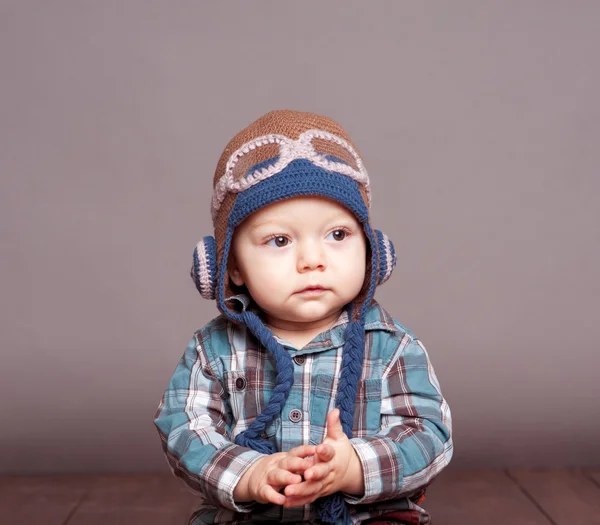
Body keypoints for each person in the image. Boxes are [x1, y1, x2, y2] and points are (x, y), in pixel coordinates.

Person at [153, 110, 453, 525]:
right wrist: (250, 472)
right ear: (229, 267)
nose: (312, 260)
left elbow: (428, 434)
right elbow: (184, 429)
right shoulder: (213, 349)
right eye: (279, 240)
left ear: (373, 250)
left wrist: (354, 466)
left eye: (337, 235)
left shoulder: (391, 346)